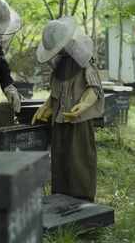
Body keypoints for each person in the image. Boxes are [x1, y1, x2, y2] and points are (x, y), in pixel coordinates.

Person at [32, 16, 104, 202]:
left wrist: (85, 104)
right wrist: (47, 106)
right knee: (60, 161)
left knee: (78, 163)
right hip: (59, 122)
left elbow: (95, 87)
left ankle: (83, 205)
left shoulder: (84, 59)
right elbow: (57, 90)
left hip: (78, 123)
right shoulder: (60, 63)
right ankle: (60, 201)